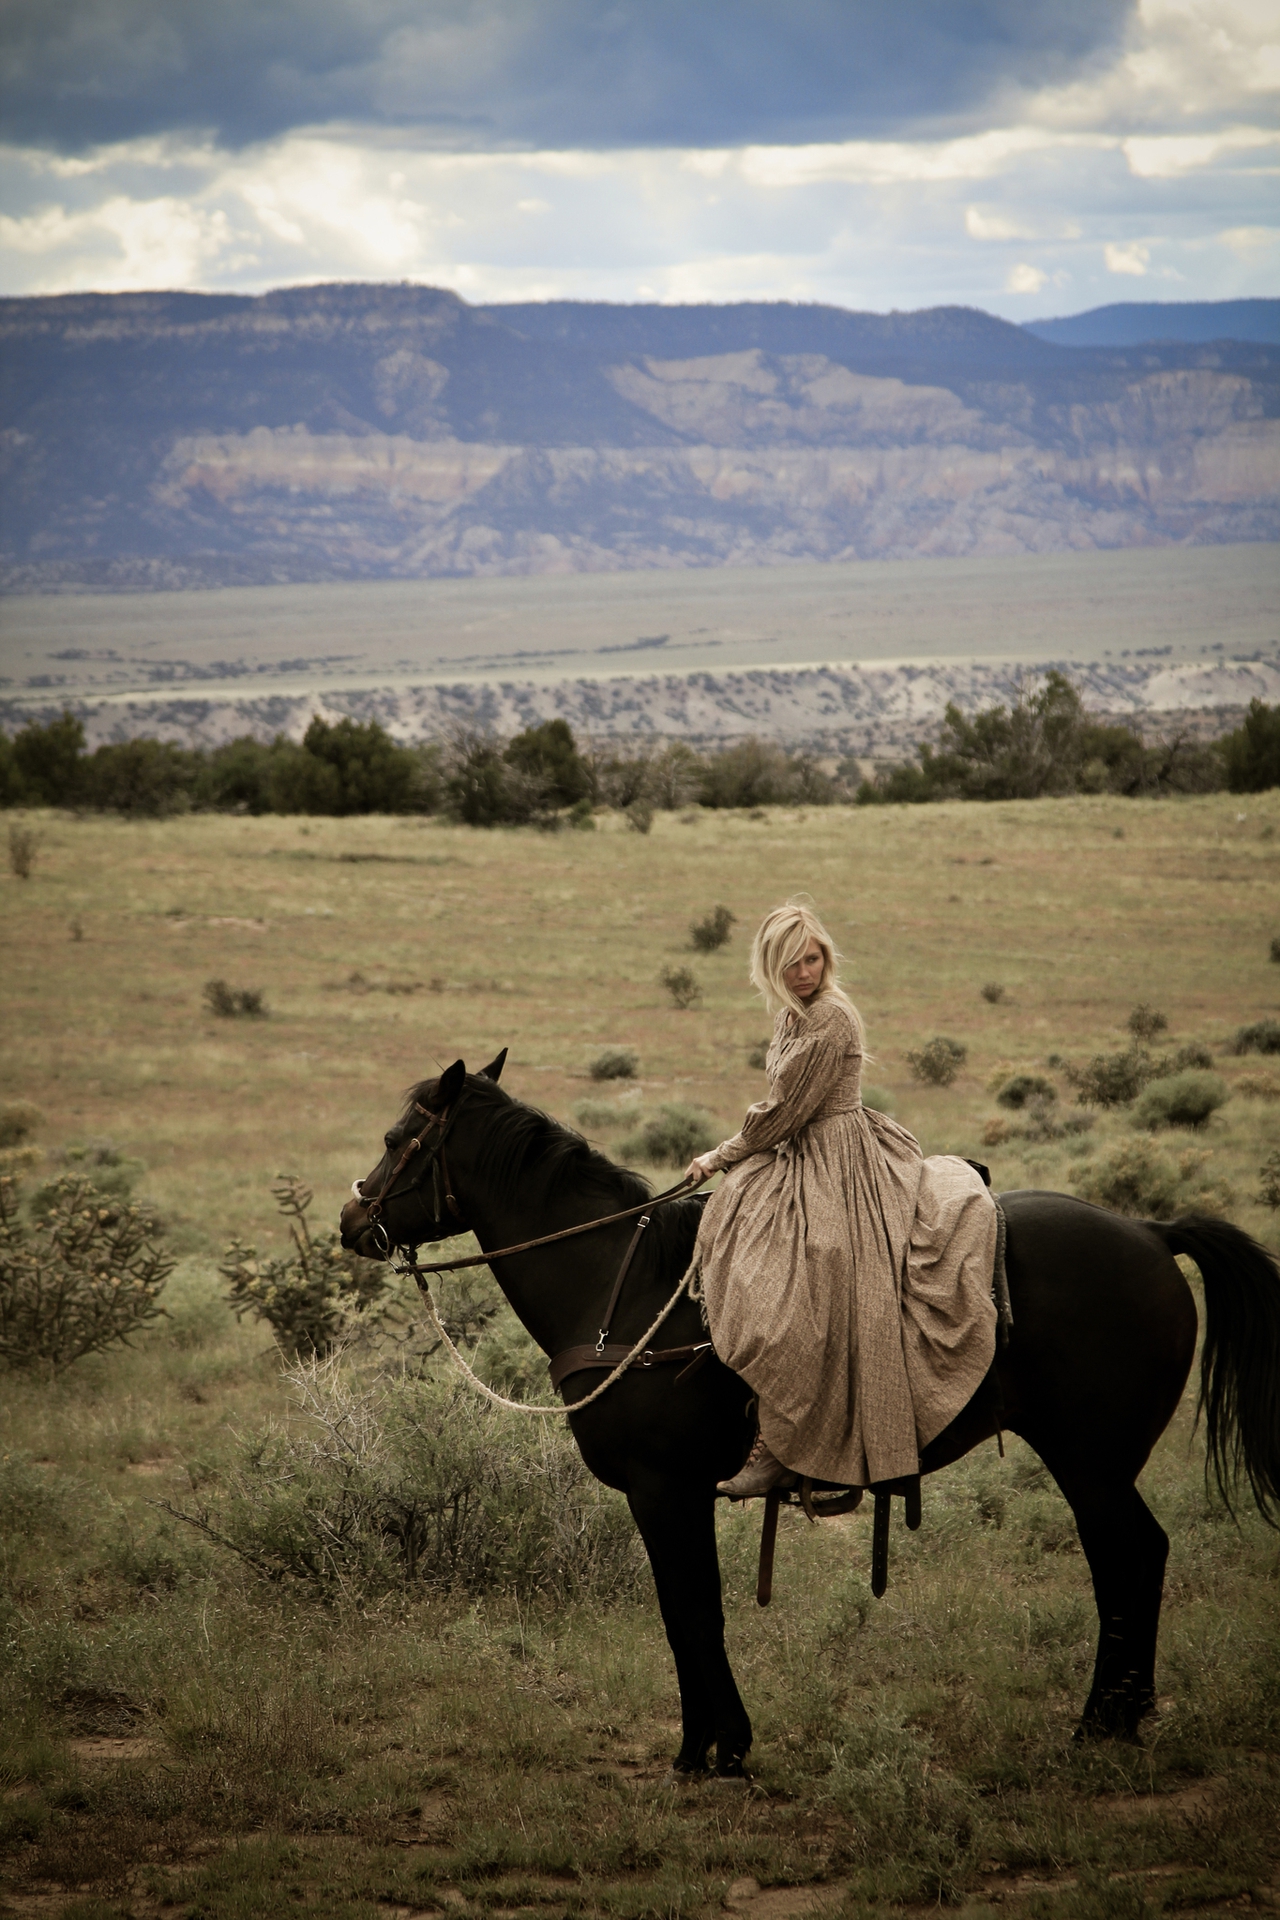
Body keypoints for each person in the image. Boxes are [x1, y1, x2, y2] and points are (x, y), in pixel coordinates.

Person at [684, 901, 998, 1499]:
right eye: (791, 962)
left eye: (812, 957)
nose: (805, 971)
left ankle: (784, 1442)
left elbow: (781, 1114)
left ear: (825, 956)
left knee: (818, 1262)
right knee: (744, 1235)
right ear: (771, 968)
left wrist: (718, 1157)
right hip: (802, 1150)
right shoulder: (790, 1017)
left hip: (838, 1157)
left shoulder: (829, 1018)